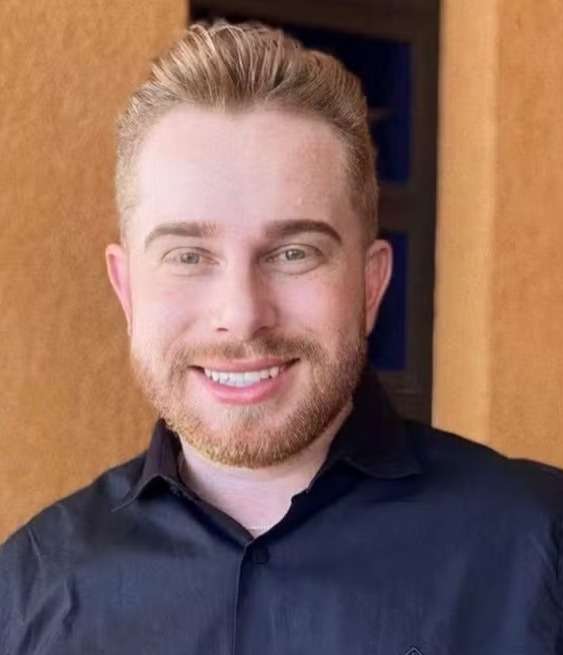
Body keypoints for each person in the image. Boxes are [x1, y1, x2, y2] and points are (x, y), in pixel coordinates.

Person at [1, 19, 563, 655]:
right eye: (188, 256)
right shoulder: (25, 595)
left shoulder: (541, 551)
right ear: (127, 288)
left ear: (371, 284)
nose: (242, 316)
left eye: (294, 253)